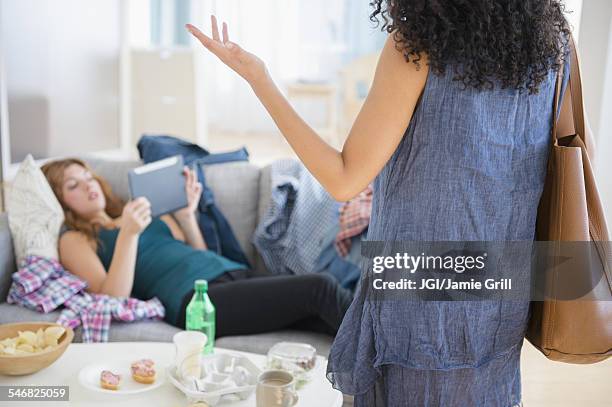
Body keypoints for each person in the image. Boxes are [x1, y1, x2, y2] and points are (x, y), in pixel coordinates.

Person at [185, 0, 572, 405]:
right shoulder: (554, 43)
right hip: (500, 289)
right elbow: (576, 155)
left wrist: (258, 78)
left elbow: (344, 179)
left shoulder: (420, 42)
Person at [41, 158, 353, 336]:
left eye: (87, 177)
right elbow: (111, 298)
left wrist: (187, 217)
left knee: (320, 317)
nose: (87, 185)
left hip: (230, 276)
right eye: (73, 185)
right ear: (60, 201)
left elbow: (198, 254)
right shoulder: (75, 238)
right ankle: (390, 343)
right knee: (320, 288)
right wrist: (128, 235)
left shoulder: (132, 212)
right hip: (193, 301)